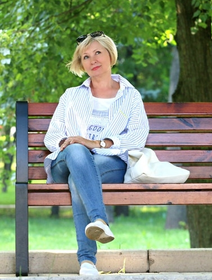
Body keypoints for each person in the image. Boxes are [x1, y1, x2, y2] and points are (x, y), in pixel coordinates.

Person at [44, 31, 149, 276]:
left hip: (108, 163)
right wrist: (74, 144)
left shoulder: (130, 97)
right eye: (86, 57)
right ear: (81, 64)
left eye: (97, 53)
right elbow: (52, 136)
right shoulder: (71, 96)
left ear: (111, 55)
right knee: (77, 152)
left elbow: (137, 137)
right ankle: (99, 221)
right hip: (65, 162)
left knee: (78, 178)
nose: (92, 60)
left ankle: (87, 262)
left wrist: (96, 143)